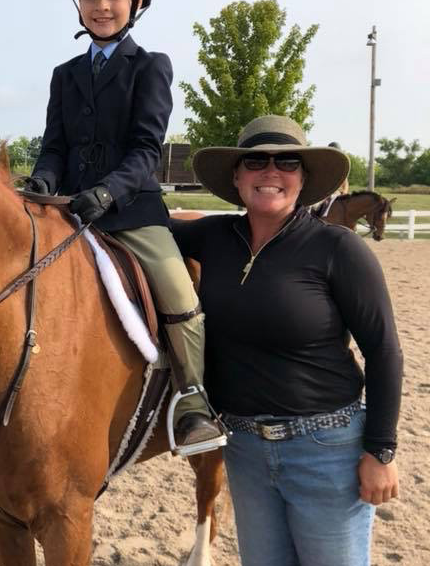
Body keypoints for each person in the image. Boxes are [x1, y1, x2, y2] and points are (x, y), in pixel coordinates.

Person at [171, 115, 403, 566]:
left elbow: (384, 351)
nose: (271, 172)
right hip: (245, 450)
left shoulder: (338, 249)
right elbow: (145, 223)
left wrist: (381, 449)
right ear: (237, 176)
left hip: (326, 450)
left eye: (287, 161)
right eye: (256, 161)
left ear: (304, 178)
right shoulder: (214, 236)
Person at [25, 0, 224, 453]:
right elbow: (54, 145)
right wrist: (45, 179)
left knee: (179, 294)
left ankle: (195, 402)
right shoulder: (64, 75)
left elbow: (144, 150)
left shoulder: (151, 66)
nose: (101, 6)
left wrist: (107, 194)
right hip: (68, 211)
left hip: (130, 212)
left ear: (135, 1)